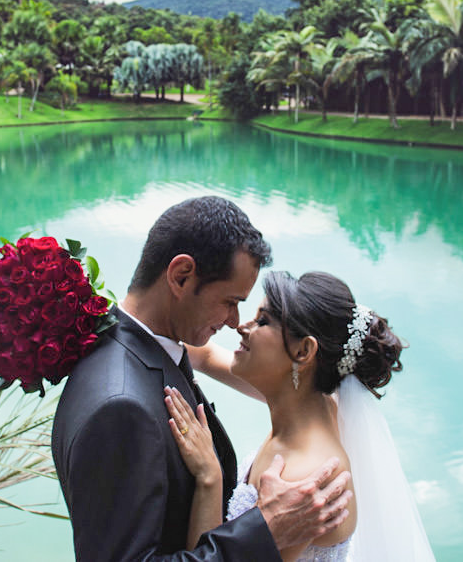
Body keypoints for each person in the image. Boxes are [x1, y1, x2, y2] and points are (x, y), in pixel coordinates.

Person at [52, 196, 354, 561]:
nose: (234, 321)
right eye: (230, 301)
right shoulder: (122, 408)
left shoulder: (146, 349)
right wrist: (266, 530)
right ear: (181, 276)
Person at [166, 270, 435, 561]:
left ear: (304, 351)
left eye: (263, 321)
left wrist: (210, 478)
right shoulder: (314, 400)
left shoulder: (305, 480)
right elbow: (204, 355)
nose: (242, 327)